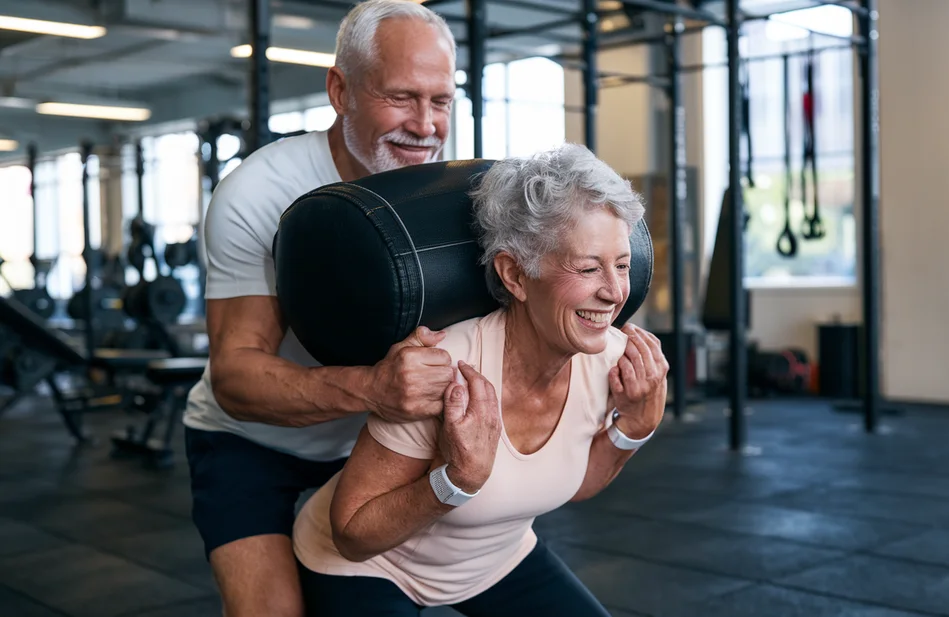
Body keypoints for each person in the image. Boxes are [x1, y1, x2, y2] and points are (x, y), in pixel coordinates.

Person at [292, 144, 670, 617]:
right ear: (514, 273)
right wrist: (455, 480)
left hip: (495, 563)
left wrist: (634, 426)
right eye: (589, 267)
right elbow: (352, 535)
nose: (615, 293)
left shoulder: (609, 358)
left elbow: (576, 484)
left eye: (621, 264)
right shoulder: (445, 369)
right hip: (372, 566)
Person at [183, 2, 461, 615]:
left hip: (376, 446)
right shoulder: (260, 193)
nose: (425, 125)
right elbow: (235, 375)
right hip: (248, 443)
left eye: (440, 101)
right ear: (340, 90)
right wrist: (374, 389)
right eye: (400, 97)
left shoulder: (449, 184)